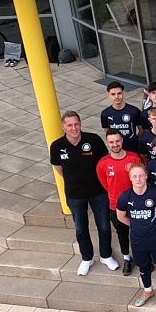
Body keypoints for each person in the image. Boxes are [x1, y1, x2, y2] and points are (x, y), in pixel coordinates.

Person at [50, 111, 114, 276]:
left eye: (76, 124)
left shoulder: (93, 140)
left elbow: (104, 163)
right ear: (63, 127)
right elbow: (59, 168)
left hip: (98, 192)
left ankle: (106, 255)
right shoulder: (57, 146)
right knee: (80, 229)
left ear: (80, 123)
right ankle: (87, 258)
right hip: (75, 195)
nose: (74, 128)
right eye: (69, 125)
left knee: (104, 226)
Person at [116, 163, 156, 309]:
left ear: (146, 176)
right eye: (134, 176)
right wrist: (135, 226)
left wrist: (153, 225)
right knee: (143, 266)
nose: (138, 179)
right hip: (138, 238)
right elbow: (120, 216)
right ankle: (148, 290)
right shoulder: (125, 197)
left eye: (141, 175)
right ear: (130, 178)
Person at [96, 128, 143, 275]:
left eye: (117, 141)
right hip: (116, 206)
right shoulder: (103, 163)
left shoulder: (134, 158)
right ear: (107, 143)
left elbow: (141, 177)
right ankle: (127, 258)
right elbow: (105, 184)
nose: (115, 144)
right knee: (122, 234)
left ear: (122, 141)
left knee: (139, 232)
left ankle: (142, 258)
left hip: (136, 204)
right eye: (111, 142)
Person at [101, 81, 142, 153]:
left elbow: (141, 130)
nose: (116, 97)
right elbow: (108, 133)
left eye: (119, 93)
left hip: (134, 150)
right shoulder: (105, 114)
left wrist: (134, 141)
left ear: (123, 93)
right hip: (117, 151)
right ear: (109, 95)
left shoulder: (134, 111)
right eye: (113, 94)